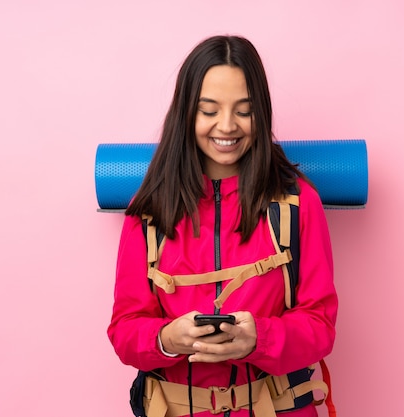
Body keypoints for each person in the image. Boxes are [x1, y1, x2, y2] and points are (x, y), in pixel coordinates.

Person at [107, 35, 338, 417]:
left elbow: (320, 326)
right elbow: (124, 330)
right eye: (209, 110)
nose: (227, 126)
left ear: (260, 114)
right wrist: (165, 338)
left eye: (244, 111)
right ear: (186, 113)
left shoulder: (298, 203)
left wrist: (259, 339)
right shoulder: (147, 210)